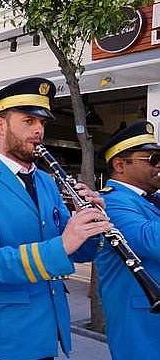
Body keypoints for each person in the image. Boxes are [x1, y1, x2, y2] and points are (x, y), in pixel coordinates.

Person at [0, 77, 110, 360]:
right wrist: (62, 245)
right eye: (28, 121)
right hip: (9, 334)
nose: (38, 131)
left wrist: (92, 224)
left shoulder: (47, 182)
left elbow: (77, 251)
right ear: (1, 125)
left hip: (51, 328)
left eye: (42, 123)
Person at [95, 120, 160, 360]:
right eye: (152, 160)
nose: (159, 165)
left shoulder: (151, 198)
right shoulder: (108, 202)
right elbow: (150, 241)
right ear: (120, 165)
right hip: (140, 323)